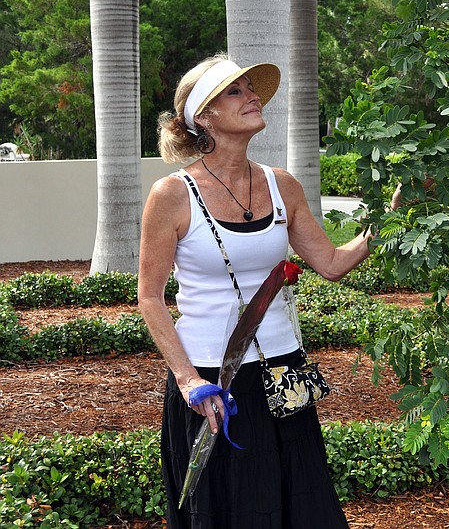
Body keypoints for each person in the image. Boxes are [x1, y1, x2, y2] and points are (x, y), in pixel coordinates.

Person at [138, 53, 393, 528]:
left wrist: (390, 220)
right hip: (215, 382)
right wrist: (188, 380)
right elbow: (149, 298)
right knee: (230, 510)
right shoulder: (172, 194)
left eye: (251, 88)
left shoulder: (282, 186)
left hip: (284, 371)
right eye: (235, 91)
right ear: (203, 116)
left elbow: (332, 264)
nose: (253, 96)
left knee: (301, 505)